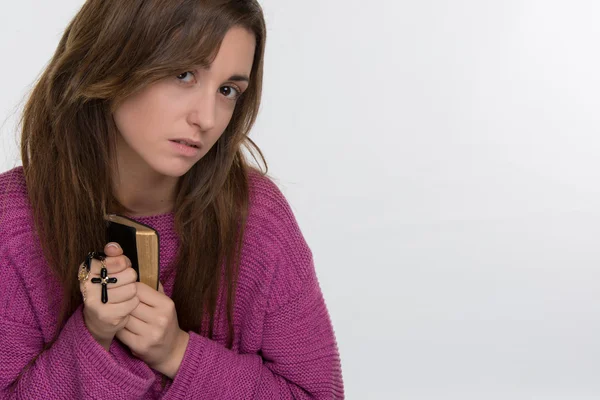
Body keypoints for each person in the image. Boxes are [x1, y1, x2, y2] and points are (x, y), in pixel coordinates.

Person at [0, 0, 344, 398]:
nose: (208, 118)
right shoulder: (14, 223)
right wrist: (93, 338)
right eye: (184, 75)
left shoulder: (256, 218)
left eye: (228, 90)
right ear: (112, 58)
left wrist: (176, 352)